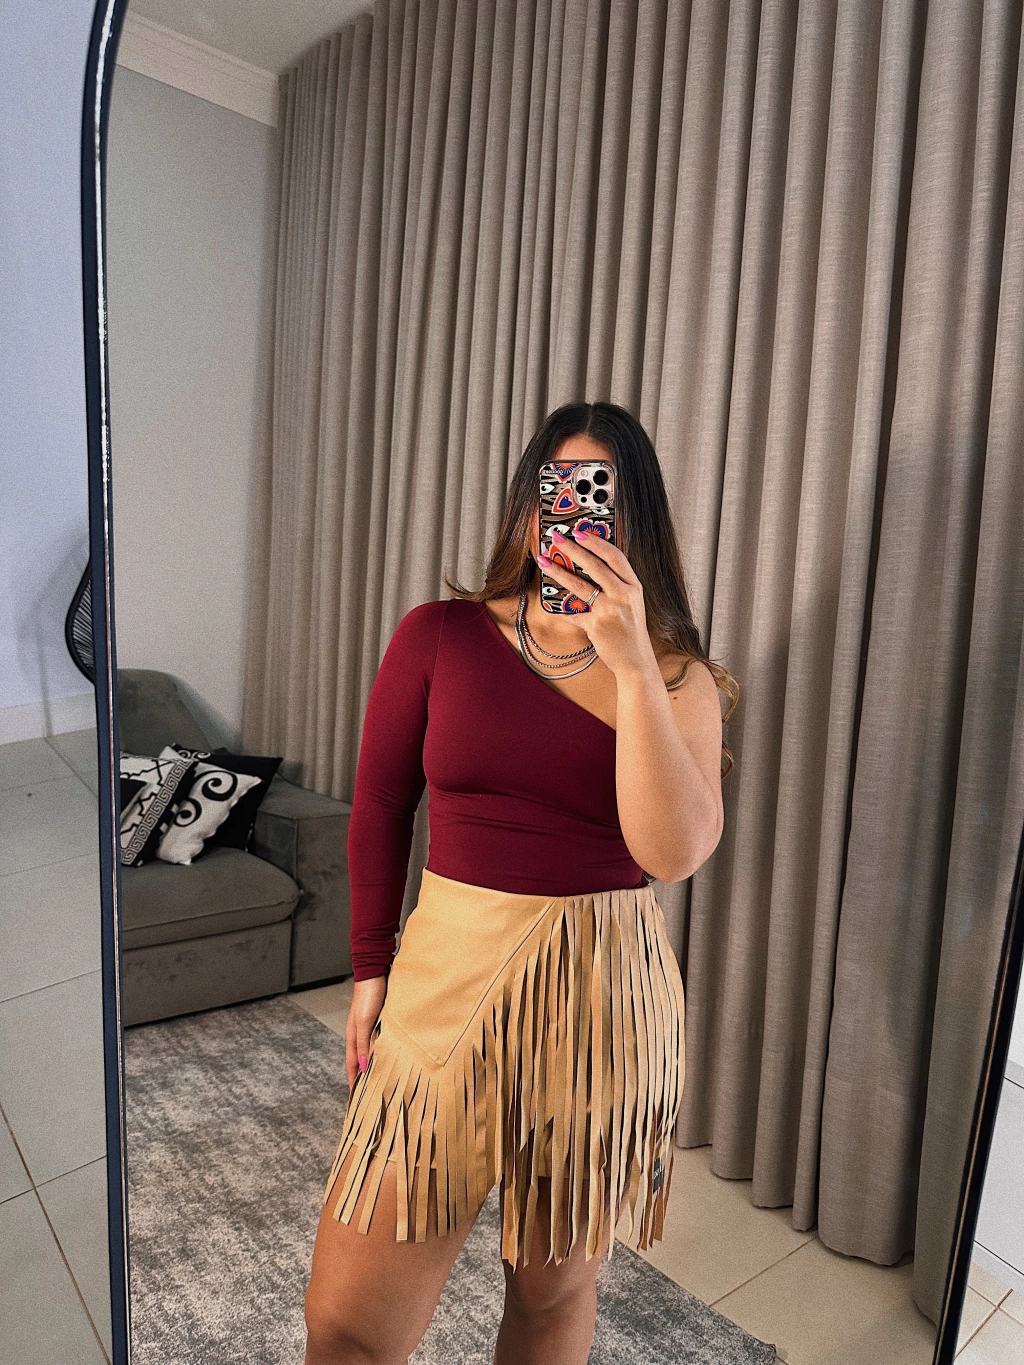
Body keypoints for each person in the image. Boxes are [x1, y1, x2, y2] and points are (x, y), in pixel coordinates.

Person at [303, 400, 736, 1365]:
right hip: (444, 985)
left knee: (550, 1295)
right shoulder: (441, 635)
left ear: (633, 523)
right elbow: (381, 805)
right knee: (345, 1323)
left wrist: (633, 663)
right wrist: (370, 970)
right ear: (528, 506)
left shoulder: (677, 680)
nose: (572, 520)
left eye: (597, 500)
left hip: (602, 1007)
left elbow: (672, 851)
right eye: (557, 492)